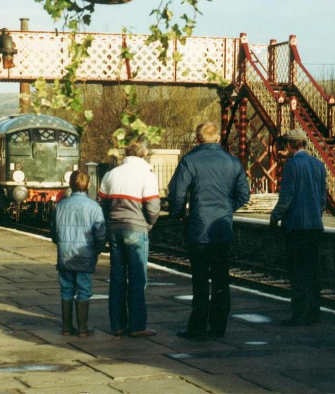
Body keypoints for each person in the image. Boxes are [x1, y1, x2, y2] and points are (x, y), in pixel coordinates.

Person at [168, 121, 250, 341]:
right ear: (218, 139)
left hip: (198, 228)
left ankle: (197, 327)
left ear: (197, 138)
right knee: (222, 278)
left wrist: (178, 215)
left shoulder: (189, 161)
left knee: (200, 279)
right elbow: (244, 194)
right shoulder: (233, 162)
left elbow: (176, 193)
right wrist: (226, 209)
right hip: (222, 228)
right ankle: (218, 326)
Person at [99, 140, 160, 337]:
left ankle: (117, 325)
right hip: (136, 229)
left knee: (117, 277)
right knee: (137, 277)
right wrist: (147, 224)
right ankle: (137, 326)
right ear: (144, 153)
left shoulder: (111, 174)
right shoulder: (147, 175)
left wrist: (110, 224)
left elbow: (102, 204)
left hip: (115, 229)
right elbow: (153, 207)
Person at [270, 128, 326, 327]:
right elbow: (322, 200)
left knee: (298, 272)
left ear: (291, 145)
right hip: (314, 227)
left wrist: (275, 217)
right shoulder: (319, 165)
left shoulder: (292, 166)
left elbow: (287, 198)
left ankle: (299, 314)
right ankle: (313, 313)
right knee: (313, 272)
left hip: (296, 227)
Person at [51, 170, 106, 337]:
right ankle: (83, 329)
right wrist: (97, 250)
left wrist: (61, 245)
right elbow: (101, 233)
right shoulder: (94, 207)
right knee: (83, 290)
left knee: (66, 289)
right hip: (86, 255)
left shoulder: (60, 206)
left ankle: (67, 328)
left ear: (70, 185)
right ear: (88, 185)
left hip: (65, 255)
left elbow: (53, 230)